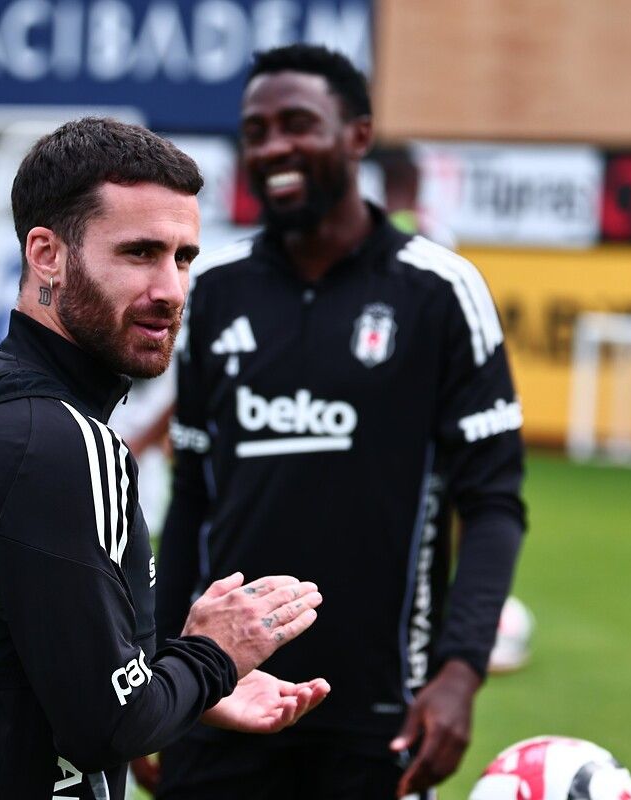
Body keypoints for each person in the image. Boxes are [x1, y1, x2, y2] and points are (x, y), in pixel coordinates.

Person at [0, 117, 330, 800]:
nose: (171, 289)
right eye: (140, 253)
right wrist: (212, 655)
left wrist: (183, 682)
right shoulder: (58, 444)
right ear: (46, 254)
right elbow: (109, 725)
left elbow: (19, 655)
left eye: (183, 258)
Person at [151, 44, 526, 799]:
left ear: (358, 135)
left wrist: (460, 671)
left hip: (382, 710)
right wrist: (161, 672)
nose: (273, 147)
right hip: (222, 696)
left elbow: (492, 503)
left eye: (298, 124)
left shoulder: (440, 290)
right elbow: (192, 497)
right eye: (256, 131)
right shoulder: (214, 288)